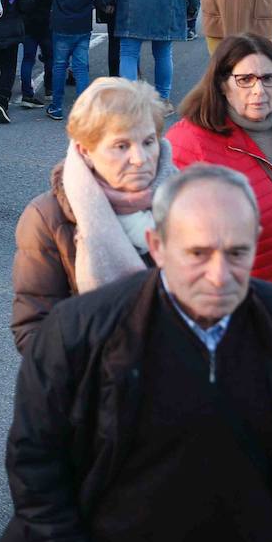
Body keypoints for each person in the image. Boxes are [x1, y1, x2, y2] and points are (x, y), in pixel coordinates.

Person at [0, 163, 272, 542]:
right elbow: (36, 462)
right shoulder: (79, 330)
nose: (219, 275)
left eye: (237, 253)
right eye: (198, 253)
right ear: (157, 246)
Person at [11, 77, 176, 353]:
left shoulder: (188, 199)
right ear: (86, 151)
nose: (140, 158)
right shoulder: (47, 217)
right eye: (121, 146)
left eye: (148, 142)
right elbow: (34, 331)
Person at [166, 33, 272, 292]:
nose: (259, 90)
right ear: (222, 83)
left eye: (268, 78)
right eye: (244, 79)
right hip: (225, 305)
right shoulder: (188, 143)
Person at [36, 0, 96, 122]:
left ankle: (56, 106)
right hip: (83, 23)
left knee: (60, 65)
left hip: (61, 23)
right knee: (81, 65)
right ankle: (84, 109)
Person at [17, 0, 55, 108]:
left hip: (27, 22)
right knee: (50, 57)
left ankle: (27, 93)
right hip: (47, 22)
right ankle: (49, 89)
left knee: (28, 59)